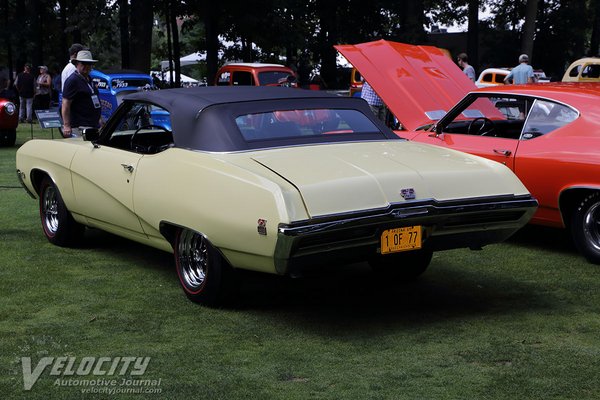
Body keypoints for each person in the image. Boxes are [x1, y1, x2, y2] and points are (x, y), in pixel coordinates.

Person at [61, 50, 102, 138]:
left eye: (89, 64)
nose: (86, 66)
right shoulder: (73, 80)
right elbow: (65, 104)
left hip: (92, 125)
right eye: (83, 63)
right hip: (80, 127)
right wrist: (66, 125)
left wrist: (99, 119)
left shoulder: (89, 79)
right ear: (76, 64)